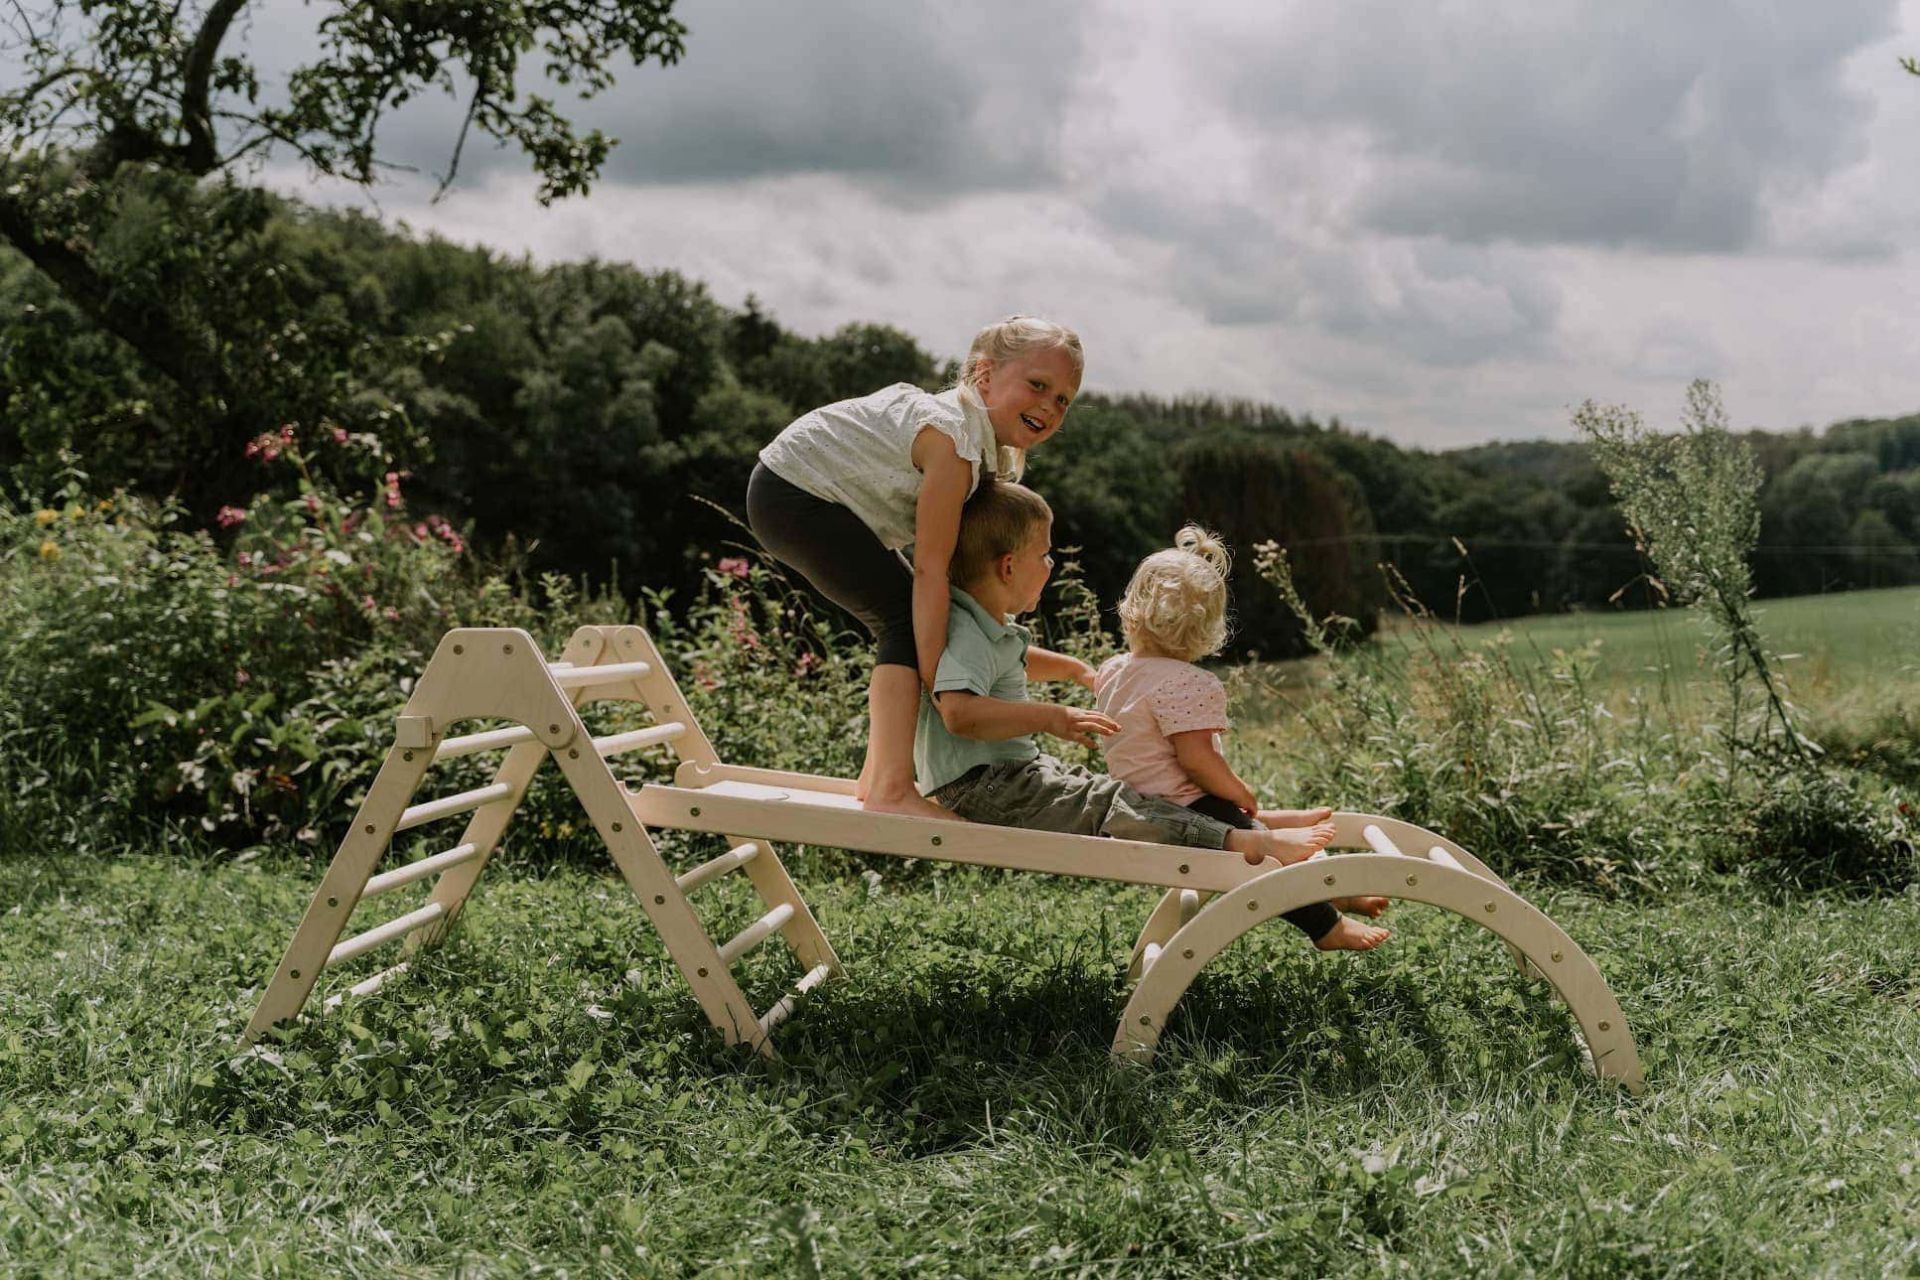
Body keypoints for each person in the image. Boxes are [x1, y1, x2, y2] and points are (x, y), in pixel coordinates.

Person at [748, 316, 1086, 821]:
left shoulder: (978, 450)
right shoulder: (951, 441)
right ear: (984, 374)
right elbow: (930, 570)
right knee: (904, 620)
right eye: (1038, 385)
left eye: (1063, 398)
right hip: (795, 493)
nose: (1049, 405)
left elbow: (948, 582)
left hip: (811, 498)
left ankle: (877, 778)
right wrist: (937, 677)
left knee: (913, 618)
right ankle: (890, 787)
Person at [915, 480, 1336, 871]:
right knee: (1114, 807)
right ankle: (1244, 841)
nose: (1051, 563)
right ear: (1008, 568)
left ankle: (1250, 823)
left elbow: (1017, 657)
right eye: (1044, 555)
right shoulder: (970, 636)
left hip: (1008, 774)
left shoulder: (984, 627)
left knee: (1118, 796)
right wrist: (1052, 717)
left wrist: (1078, 670)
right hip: (983, 787)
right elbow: (959, 713)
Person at [1094, 527, 1391, 952]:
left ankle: (1330, 884)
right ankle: (1327, 926)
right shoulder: (1187, 682)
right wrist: (1240, 789)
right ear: (1208, 627)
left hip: (1138, 802)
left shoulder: (1114, 669)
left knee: (1244, 822)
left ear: (1133, 608)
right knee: (1263, 855)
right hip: (1184, 807)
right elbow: (1197, 761)